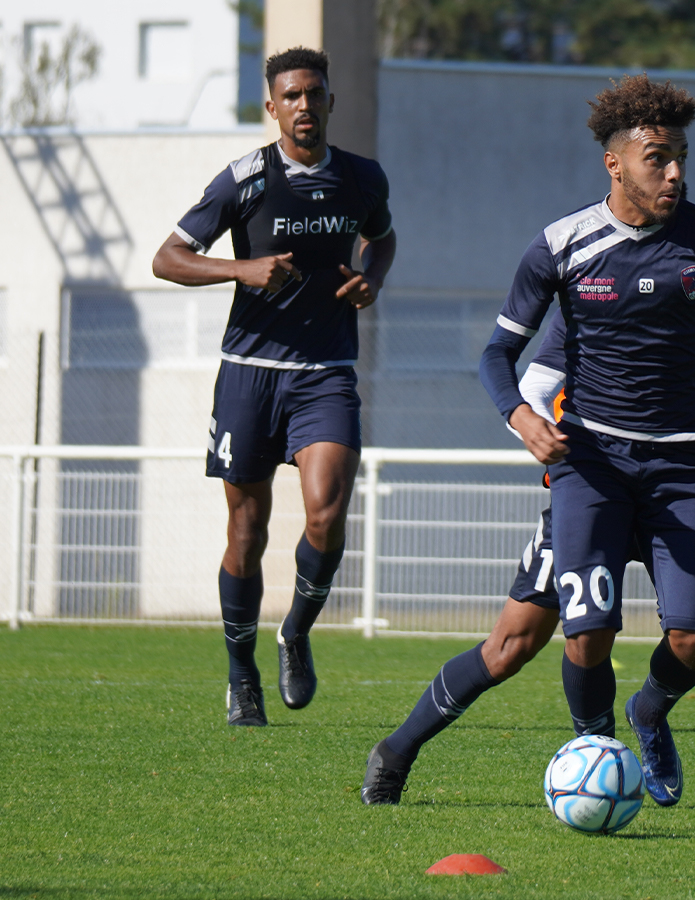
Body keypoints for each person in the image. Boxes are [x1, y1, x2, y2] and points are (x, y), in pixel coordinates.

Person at [485, 74, 695, 808]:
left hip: (683, 470)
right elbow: (498, 358)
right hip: (594, 468)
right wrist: (521, 417)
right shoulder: (566, 248)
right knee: (577, 634)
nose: (675, 173)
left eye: (682, 157)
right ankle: (593, 747)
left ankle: (653, 713)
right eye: (659, 158)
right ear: (616, 163)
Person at [362, 308, 695, 804]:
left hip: (675, 486)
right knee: (511, 648)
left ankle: (687, 726)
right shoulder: (585, 300)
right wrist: (535, 429)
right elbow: (529, 387)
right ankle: (396, 752)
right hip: (593, 495)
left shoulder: (686, 284)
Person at [151, 47, 396, 727]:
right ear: (272, 106)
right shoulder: (244, 180)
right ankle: (241, 674)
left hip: (326, 374)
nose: (303, 106)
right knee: (247, 529)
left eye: (314, 94)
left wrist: (372, 277)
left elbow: (383, 238)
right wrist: (242, 271)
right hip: (249, 375)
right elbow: (166, 258)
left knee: (326, 511)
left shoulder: (360, 178)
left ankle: (295, 631)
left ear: (329, 102)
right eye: (290, 96)